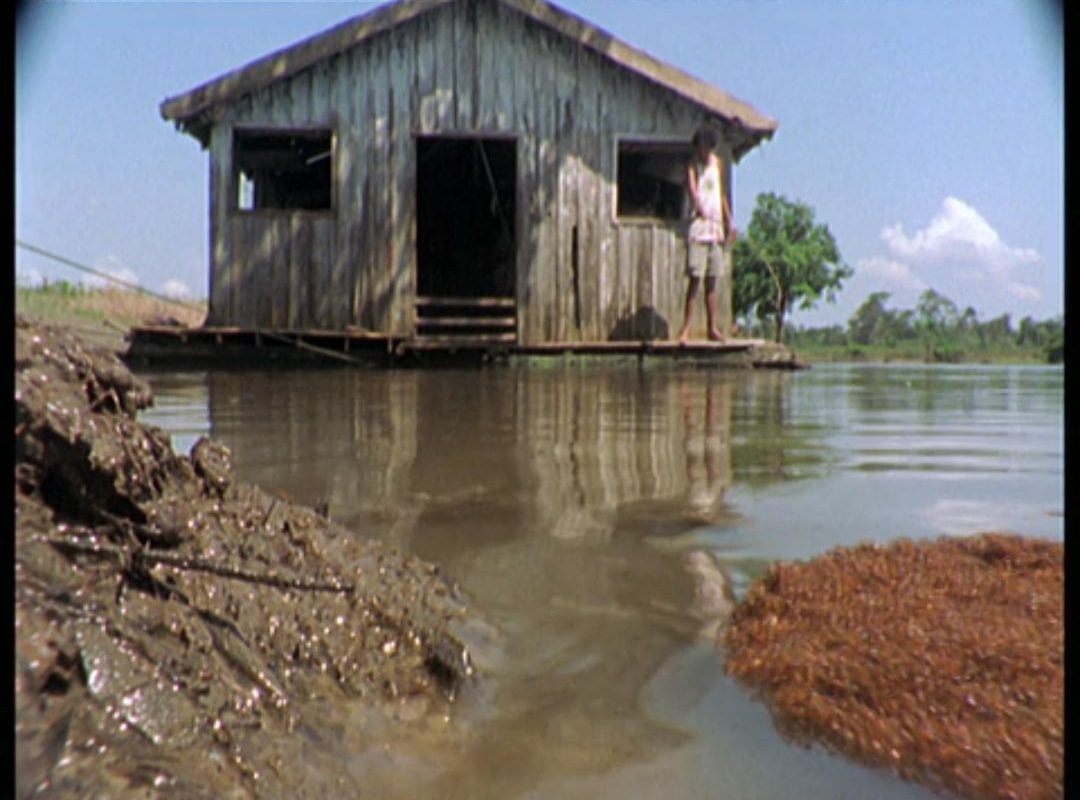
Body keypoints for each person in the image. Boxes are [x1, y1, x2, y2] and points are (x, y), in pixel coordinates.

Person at [677, 126, 736, 343]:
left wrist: (729, 221)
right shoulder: (693, 166)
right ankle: (686, 329)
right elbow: (693, 191)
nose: (702, 151)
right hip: (699, 229)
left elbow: (722, 195)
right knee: (695, 279)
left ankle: (713, 327)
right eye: (700, 147)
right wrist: (699, 207)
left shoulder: (717, 164)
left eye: (706, 148)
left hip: (715, 231)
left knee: (712, 281)